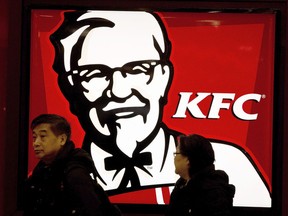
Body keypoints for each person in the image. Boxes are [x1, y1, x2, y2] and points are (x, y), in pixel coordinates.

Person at [49, 10, 271, 207]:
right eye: (94, 74)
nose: (119, 91)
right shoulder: (63, 174)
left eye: (138, 70)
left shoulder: (233, 164)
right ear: (69, 89)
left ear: (164, 78)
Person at [23, 114, 121, 216]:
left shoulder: (75, 173)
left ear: (62, 139)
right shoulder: (40, 171)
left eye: (43, 136)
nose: (36, 143)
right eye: (34, 137)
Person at [166, 134, 235, 216]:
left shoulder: (214, 194)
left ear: (188, 159)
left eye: (176, 154)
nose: (174, 158)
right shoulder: (181, 186)